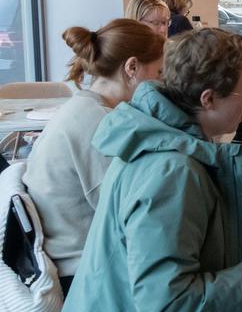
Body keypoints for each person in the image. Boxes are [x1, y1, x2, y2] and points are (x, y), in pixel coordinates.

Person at [56, 29, 242, 312]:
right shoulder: (172, 172)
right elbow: (167, 302)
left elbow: (166, 237)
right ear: (208, 99)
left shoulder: (156, 136)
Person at [23, 19, 165, 296]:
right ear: (132, 67)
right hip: (84, 275)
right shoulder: (103, 125)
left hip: (69, 257)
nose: (161, 82)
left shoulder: (82, 107)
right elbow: (131, 218)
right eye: (159, 72)